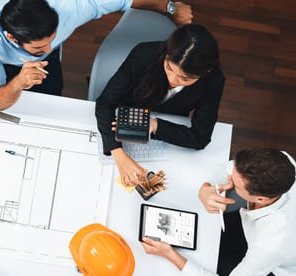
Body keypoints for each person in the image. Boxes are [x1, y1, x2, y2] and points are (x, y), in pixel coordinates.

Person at [0, 0, 193, 111]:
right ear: (12, 39)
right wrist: (19, 82)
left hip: (37, 67)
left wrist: (170, 7)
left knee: (48, 109)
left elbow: (125, 0)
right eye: (40, 48)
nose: (49, 51)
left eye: (53, 40)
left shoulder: (71, 5)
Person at [141, 148, 296, 276]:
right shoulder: (283, 162)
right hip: (249, 228)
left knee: (205, 262)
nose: (229, 179)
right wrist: (206, 188)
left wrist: (170, 255)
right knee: (203, 237)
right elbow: (225, 169)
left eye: (235, 185)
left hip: (273, 270)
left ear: (260, 199)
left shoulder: (271, 244)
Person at [96, 24, 225, 186]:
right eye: (169, 68)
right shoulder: (144, 54)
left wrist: (156, 126)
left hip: (172, 119)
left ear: (205, 72)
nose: (172, 79)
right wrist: (118, 153)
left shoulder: (214, 81)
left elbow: (200, 138)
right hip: (129, 108)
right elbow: (104, 104)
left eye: (184, 79)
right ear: (166, 54)